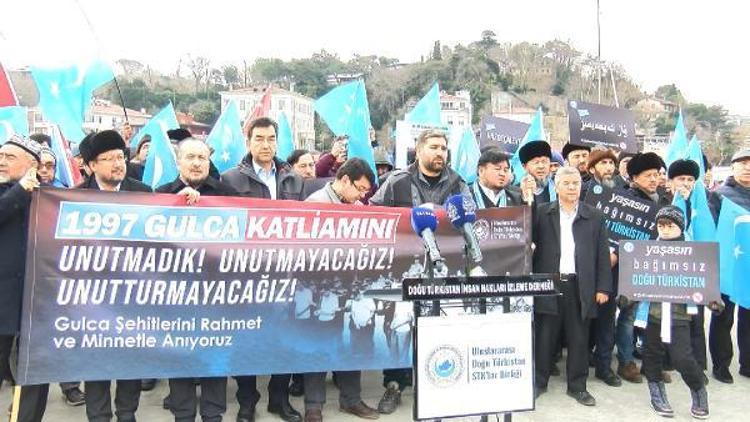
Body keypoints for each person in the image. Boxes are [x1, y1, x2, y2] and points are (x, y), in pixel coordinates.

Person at [370, 129, 469, 414]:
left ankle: (441, 381)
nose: (440, 153)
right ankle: (394, 385)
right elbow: (375, 215)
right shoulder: (397, 181)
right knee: (401, 326)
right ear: (419, 149)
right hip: (405, 268)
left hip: (445, 269)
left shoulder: (458, 183)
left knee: (442, 327)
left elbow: (471, 219)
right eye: (434, 147)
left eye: (444, 148)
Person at [222, 117, 303, 422]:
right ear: (248, 142)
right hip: (247, 275)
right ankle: (247, 401)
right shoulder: (230, 180)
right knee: (247, 340)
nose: (266, 145)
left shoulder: (294, 180)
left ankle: (279, 399)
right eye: (259, 138)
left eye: (271, 139)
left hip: (285, 273)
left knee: (284, 339)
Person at [156, 138, 234, 422]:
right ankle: (183, 415)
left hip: (217, 295)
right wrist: (178, 205)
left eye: (202, 157)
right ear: (178, 161)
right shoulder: (161, 194)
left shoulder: (227, 194)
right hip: (176, 297)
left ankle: (214, 415)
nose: (197, 163)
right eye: (190, 157)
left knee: (215, 360)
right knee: (180, 361)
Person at [78, 130, 150, 422]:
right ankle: (99, 416)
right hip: (92, 298)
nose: (117, 164)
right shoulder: (75, 197)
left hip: (134, 293)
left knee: (130, 359)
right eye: (108, 159)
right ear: (91, 165)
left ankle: (127, 413)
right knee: (95, 360)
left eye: (120, 157)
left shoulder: (143, 193)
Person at [302, 158, 380, 422]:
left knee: (349, 344)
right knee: (318, 345)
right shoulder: (315, 204)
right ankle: (313, 405)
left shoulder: (358, 209)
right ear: (345, 180)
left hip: (349, 288)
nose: (362, 196)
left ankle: (351, 399)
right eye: (360, 189)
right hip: (321, 290)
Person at [532, 166, 612, 407]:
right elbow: (528, 242)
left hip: (580, 285)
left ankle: (578, 386)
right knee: (545, 336)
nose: (571, 188)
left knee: (579, 338)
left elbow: (602, 254)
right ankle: (538, 382)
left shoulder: (594, 216)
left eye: (575, 183)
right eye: (566, 183)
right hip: (549, 284)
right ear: (556, 187)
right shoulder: (542, 212)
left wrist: (603, 288)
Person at [638, 206, 709, 419]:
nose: (665, 230)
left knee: (682, 357)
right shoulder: (649, 249)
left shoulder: (693, 251)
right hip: (652, 312)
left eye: (670, 225)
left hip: (679, 314)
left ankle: (699, 390)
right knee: (651, 356)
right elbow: (637, 276)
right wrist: (627, 296)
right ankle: (656, 394)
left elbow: (704, 280)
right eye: (661, 225)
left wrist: (713, 300)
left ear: (680, 226)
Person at [0, 136, 49, 422]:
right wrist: (19, 191)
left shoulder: (49, 196)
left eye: (9, 156)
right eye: (0, 155)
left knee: (33, 374)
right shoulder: (10, 194)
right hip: (3, 301)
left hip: (38, 302)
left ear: (32, 165)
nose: (1, 161)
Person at [708, 148, 750, 384]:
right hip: (727, 264)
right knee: (723, 316)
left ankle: (748, 363)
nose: (747, 167)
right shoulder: (719, 195)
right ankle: (721, 364)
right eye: (742, 163)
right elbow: (711, 229)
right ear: (733, 167)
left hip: (748, 266)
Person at [582, 147, 622, 387]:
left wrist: (616, 253)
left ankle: (604, 366)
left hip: (612, 266)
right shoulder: (582, 191)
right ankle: (582, 361)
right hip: (585, 264)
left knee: (607, 318)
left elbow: (629, 230)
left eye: (611, 163)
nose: (608, 167)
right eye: (603, 163)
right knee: (585, 316)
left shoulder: (623, 193)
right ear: (592, 168)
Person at [518, 140, 554, 205]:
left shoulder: (557, 188)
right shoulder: (515, 193)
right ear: (524, 166)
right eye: (536, 162)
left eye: (544, 161)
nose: (541, 166)